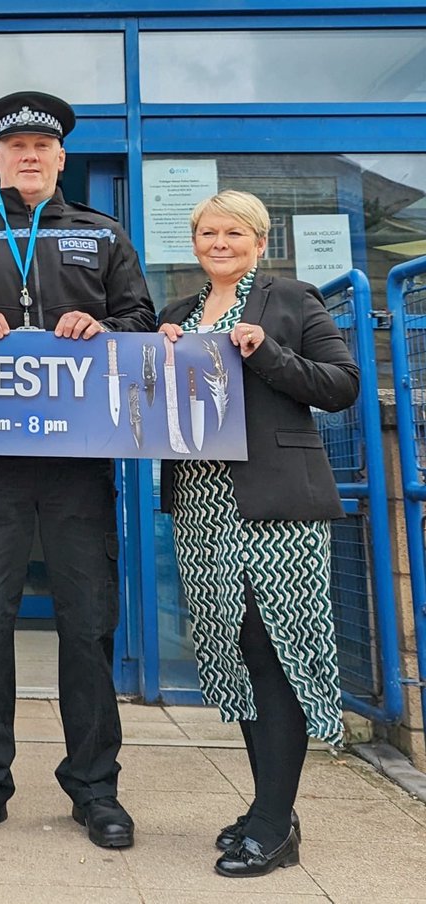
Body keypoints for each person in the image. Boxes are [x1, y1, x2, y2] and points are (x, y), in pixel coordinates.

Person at [0, 92, 155, 847]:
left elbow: (142, 324)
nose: (28, 156)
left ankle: (94, 789)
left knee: (88, 625)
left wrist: (103, 326)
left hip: (80, 465)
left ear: (60, 159)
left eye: (40, 148)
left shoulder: (102, 234)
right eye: (14, 146)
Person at [157, 190, 357, 877]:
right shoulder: (177, 315)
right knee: (239, 657)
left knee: (276, 655)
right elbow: (150, 404)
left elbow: (341, 385)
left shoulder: (292, 300)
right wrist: (156, 363)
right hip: (202, 506)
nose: (220, 242)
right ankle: (270, 803)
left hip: (277, 510)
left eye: (234, 232)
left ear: (259, 241)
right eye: (208, 232)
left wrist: (266, 352)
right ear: (195, 243)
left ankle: (274, 824)